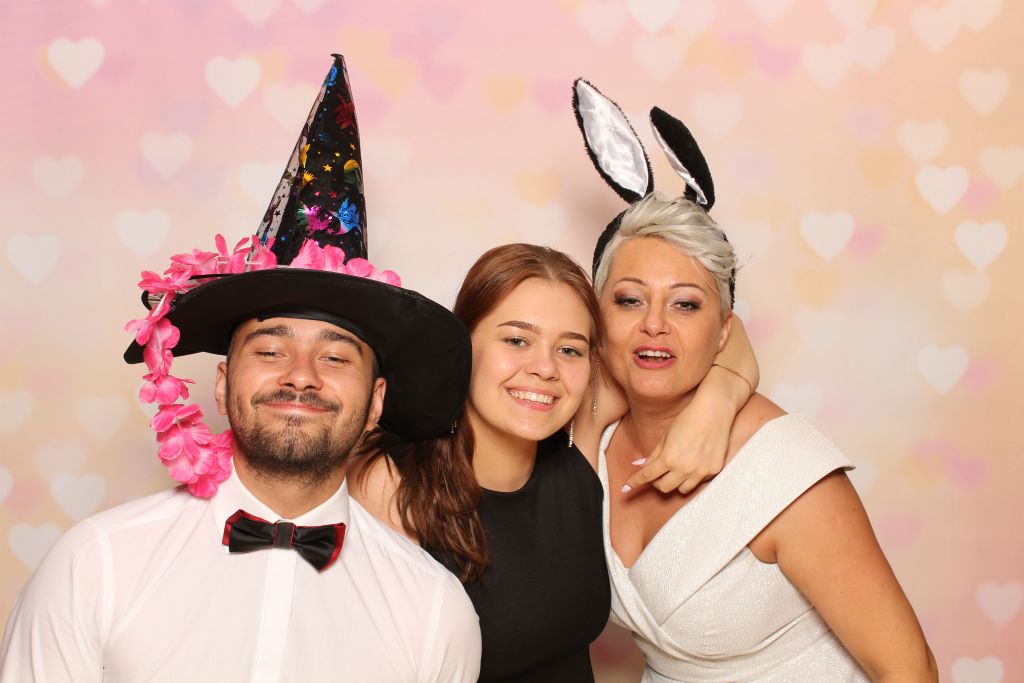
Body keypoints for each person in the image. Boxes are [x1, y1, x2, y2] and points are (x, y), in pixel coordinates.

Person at [0, 54, 481, 682]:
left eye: (336, 356)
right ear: (224, 383)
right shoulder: (95, 567)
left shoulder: (434, 611)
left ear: (377, 401)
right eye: (271, 350)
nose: (301, 374)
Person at [575, 79, 937, 681]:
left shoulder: (784, 470)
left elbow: (910, 669)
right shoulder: (589, 432)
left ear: (724, 332)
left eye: (686, 304)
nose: (655, 324)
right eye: (630, 300)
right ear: (599, 317)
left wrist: (721, 397)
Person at [351, 242, 759, 682]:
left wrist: (715, 406)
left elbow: (720, 332)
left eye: (569, 350)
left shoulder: (579, 440)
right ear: (462, 344)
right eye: (516, 340)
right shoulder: (391, 484)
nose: (545, 368)